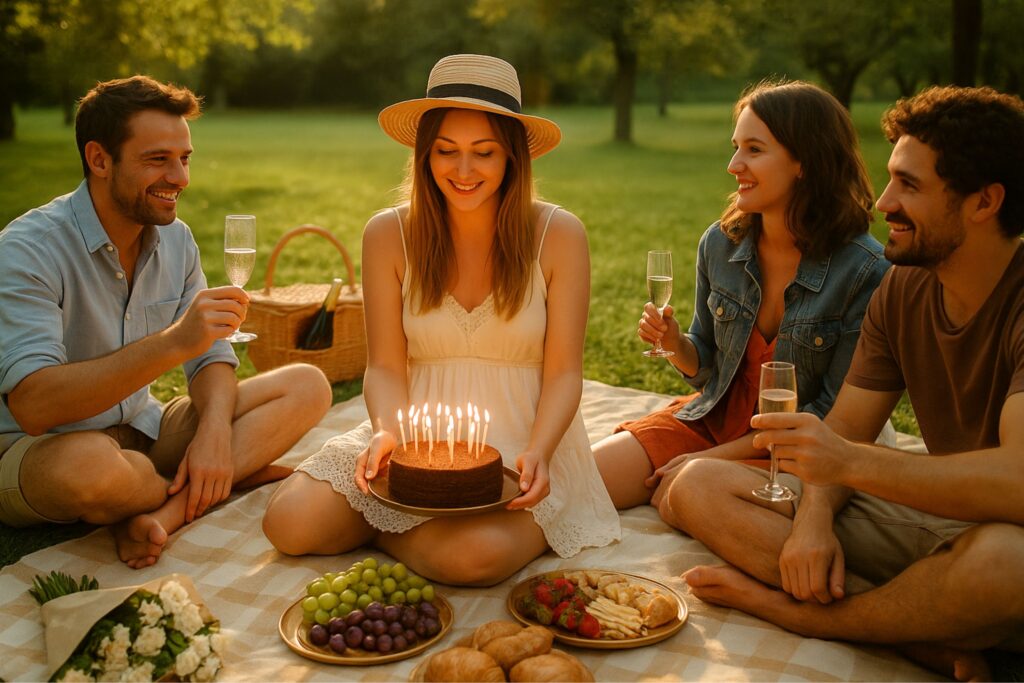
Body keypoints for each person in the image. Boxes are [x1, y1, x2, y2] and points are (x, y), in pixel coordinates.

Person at [672, 86, 1024, 681]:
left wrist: (845, 465)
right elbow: (847, 431)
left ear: (984, 202)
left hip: (1007, 535)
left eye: (910, 186)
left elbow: (1015, 482)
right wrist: (812, 521)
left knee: (1007, 563)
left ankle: (809, 615)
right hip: (937, 519)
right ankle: (920, 628)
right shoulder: (905, 287)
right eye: (890, 179)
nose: (883, 201)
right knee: (697, 483)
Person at [262, 54, 621, 585]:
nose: (463, 170)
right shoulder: (388, 233)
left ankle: (383, 528)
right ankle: (401, 523)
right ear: (424, 154)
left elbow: (565, 371)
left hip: (523, 438)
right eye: (445, 151)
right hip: (416, 436)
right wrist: (387, 432)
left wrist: (541, 451)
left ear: (512, 158)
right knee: (287, 523)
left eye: (484, 152)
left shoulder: (559, 235)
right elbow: (385, 366)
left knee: (472, 559)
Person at [0, 76, 332, 569]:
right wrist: (175, 342)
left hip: (143, 428)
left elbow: (212, 355)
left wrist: (216, 433)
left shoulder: (175, 240)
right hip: (42, 450)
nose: (180, 177)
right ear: (99, 159)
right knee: (89, 469)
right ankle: (216, 483)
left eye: (184, 158)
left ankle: (170, 507)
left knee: (307, 385)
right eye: (158, 159)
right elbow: (34, 405)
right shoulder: (28, 249)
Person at [591, 80, 890, 515]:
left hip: (796, 454)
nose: (733, 165)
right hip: (713, 420)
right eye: (736, 147)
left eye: (754, 149)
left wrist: (705, 463)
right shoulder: (721, 244)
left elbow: (831, 419)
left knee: (690, 497)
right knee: (580, 481)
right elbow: (707, 368)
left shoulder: (865, 272)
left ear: (804, 160)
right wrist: (676, 344)